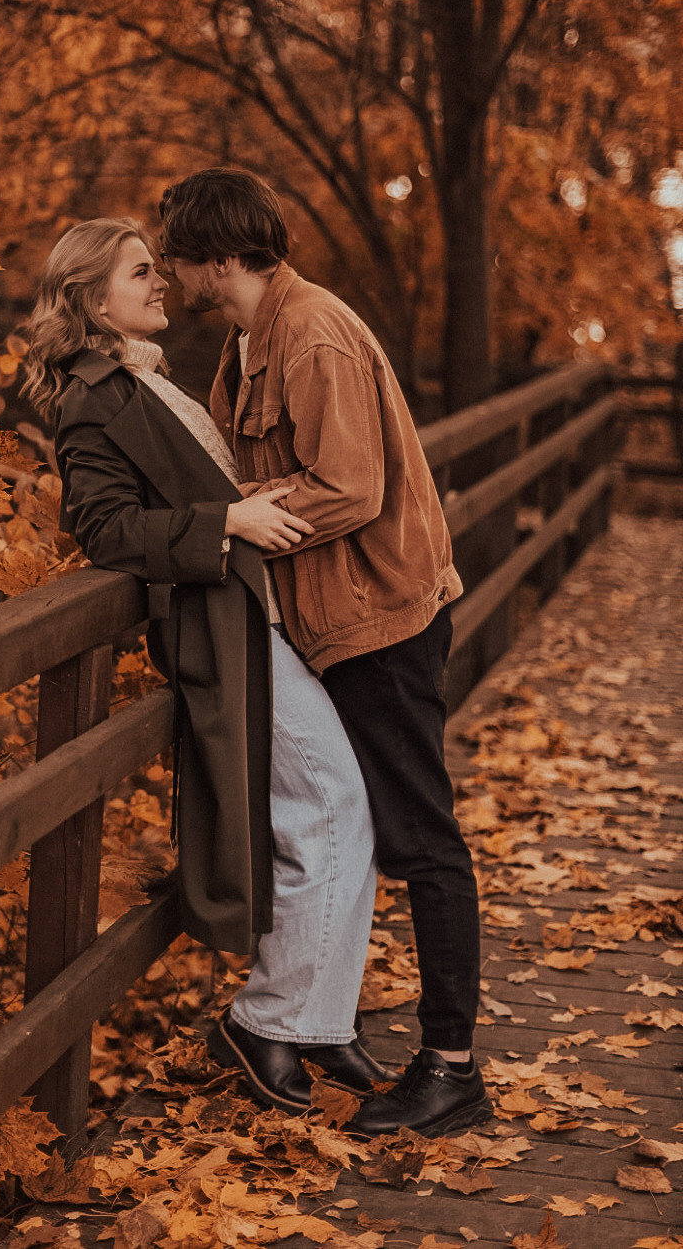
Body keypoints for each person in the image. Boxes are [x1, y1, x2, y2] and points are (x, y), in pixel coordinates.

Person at [158, 170, 492, 1138]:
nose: (175, 272)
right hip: (339, 622)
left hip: (380, 622)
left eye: (178, 255)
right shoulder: (249, 340)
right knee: (364, 820)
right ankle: (323, 1022)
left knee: (421, 837)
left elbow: (348, 485)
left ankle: (453, 1066)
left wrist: (242, 525)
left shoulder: (312, 335)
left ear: (219, 258)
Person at [23, 217, 383, 1115]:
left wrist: (243, 501)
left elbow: (194, 488)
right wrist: (228, 525)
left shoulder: (146, 378)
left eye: (155, 269)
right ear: (91, 298)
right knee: (334, 798)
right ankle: (270, 1022)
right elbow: (103, 529)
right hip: (220, 627)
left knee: (327, 804)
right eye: (140, 273)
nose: (160, 285)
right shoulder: (92, 396)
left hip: (251, 614)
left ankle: (315, 1018)